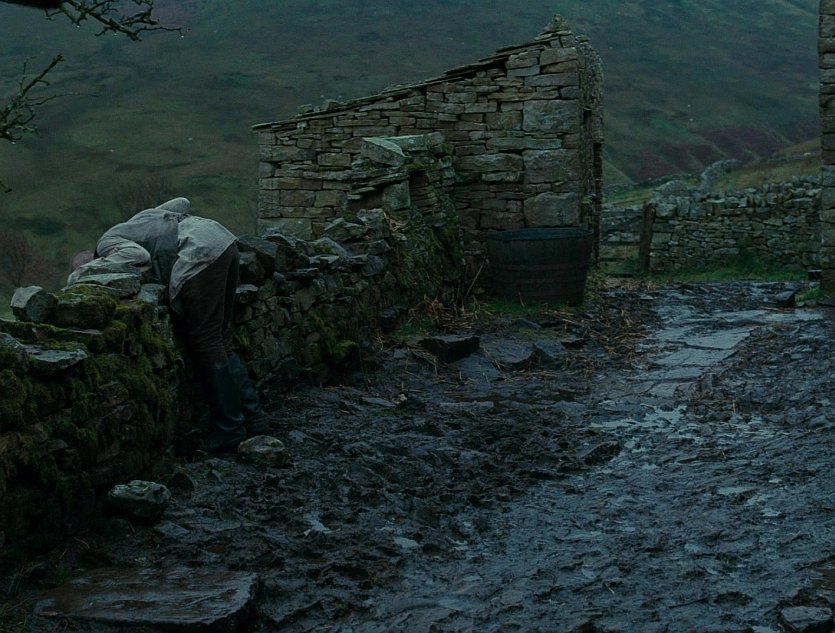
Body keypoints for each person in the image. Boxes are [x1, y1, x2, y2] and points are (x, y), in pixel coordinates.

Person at [69, 197, 270, 452]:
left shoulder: (106, 243)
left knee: (206, 341)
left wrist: (82, 275)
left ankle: (230, 429)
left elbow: (138, 255)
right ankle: (255, 418)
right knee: (218, 338)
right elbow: (182, 203)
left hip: (200, 252)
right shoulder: (135, 224)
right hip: (221, 239)